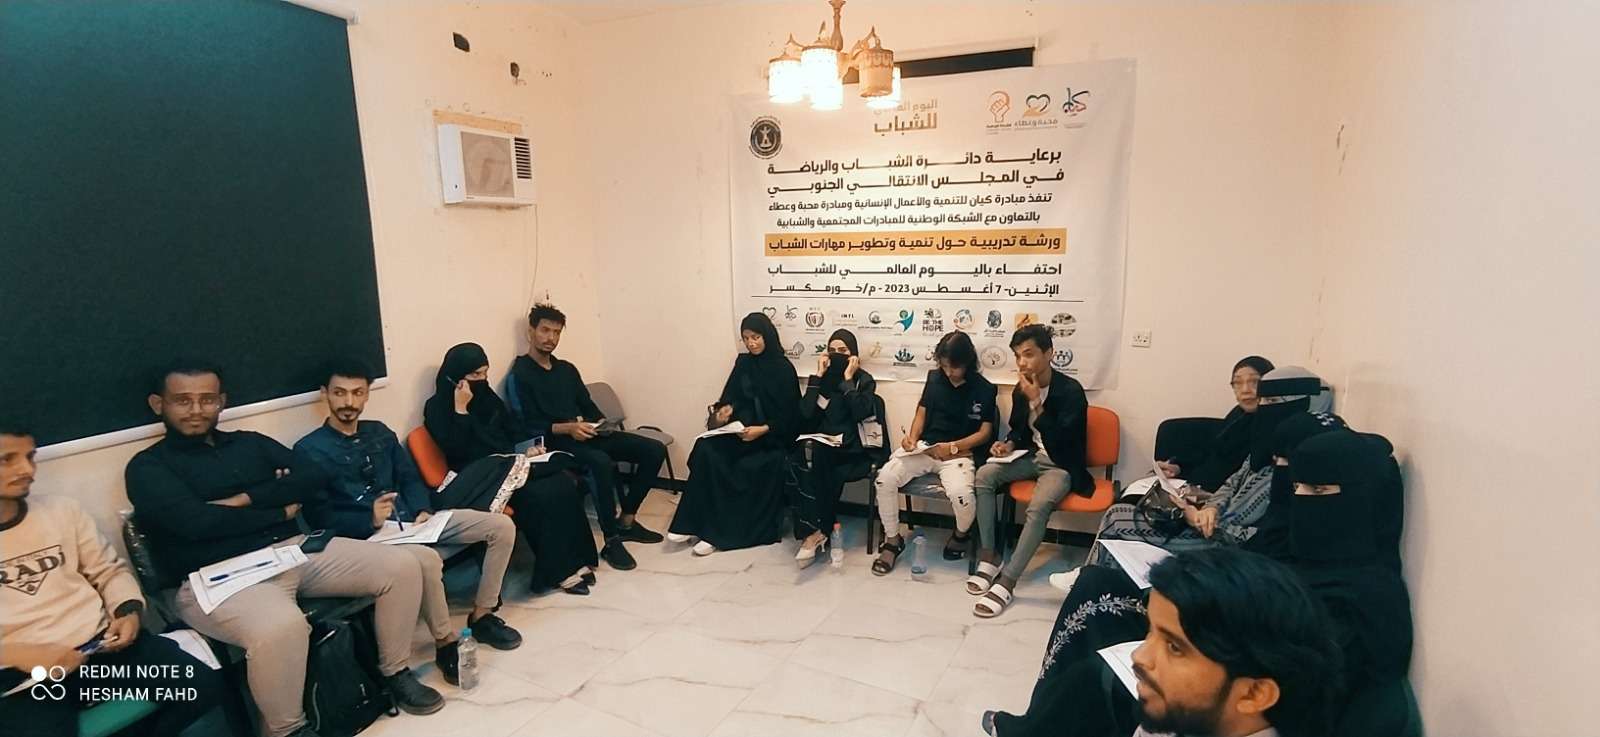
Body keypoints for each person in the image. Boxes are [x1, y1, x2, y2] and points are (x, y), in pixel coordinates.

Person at [125, 360, 443, 737]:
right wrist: (277, 509)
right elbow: (194, 524)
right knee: (283, 627)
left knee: (403, 566)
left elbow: (312, 476)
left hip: (290, 550)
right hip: (217, 578)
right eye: (183, 400)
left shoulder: (249, 443)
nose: (196, 409)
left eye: (207, 399)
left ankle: (394, 671)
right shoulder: (147, 468)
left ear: (221, 401)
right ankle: (288, 730)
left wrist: (244, 500)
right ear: (158, 404)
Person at [295, 358, 523, 687]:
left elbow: (409, 478)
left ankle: (483, 614)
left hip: (411, 522)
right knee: (427, 560)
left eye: (357, 393)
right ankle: (446, 643)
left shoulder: (379, 433)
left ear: (366, 394)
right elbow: (319, 517)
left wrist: (421, 509)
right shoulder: (309, 450)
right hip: (367, 540)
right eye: (339, 393)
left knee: (500, 527)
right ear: (325, 395)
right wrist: (368, 518)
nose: (348, 402)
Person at [1, 424, 221, 737]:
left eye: (30, 457)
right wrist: (20, 654)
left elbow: (108, 571)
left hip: (98, 648)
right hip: (25, 674)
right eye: (7, 459)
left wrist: (127, 612)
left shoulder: (61, 511)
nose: (27, 469)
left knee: (201, 687)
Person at [985, 548, 1344, 737]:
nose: (1139, 656)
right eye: (1150, 633)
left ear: (1254, 693)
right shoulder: (1188, 718)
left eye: (1175, 647)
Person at [1068, 367, 1331, 584]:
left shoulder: (1297, 474)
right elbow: (1232, 483)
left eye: (1272, 403)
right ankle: (1094, 579)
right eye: (1263, 401)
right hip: (1208, 522)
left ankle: (1093, 582)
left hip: (1223, 546)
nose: (1262, 408)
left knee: (1118, 522)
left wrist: (1197, 518)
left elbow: (1262, 540)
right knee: (1120, 513)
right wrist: (1212, 508)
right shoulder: (1266, 448)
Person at [422, 343, 599, 594]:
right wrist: (461, 410)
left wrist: (525, 448)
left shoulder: (487, 398)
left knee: (561, 483)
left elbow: (510, 430)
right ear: (455, 377)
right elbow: (457, 449)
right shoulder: (437, 407)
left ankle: (578, 559)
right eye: (475, 374)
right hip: (479, 476)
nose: (482, 380)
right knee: (539, 495)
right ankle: (558, 572)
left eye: (485, 372)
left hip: (510, 464)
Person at [509, 304, 667, 572]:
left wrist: (602, 424)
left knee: (654, 449)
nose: (550, 338)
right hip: (553, 444)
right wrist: (567, 428)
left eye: (556, 332)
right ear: (530, 332)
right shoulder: (520, 374)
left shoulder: (566, 370)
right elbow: (526, 426)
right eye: (545, 330)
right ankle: (611, 540)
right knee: (599, 462)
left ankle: (627, 520)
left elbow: (587, 405)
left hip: (584, 433)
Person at [967, 324, 1090, 618]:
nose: (1022, 362)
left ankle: (1008, 580)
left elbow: (1061, 443)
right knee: (983, 476)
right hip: (1031, 457)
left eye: (1029, 354)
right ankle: (990, 555)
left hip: (1061, 464)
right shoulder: (1021, 389)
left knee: (1038, 505)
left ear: (1049, 354)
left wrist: (1037, 401)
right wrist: (1007, 445)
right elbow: (1019, 431)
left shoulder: (1071, 392)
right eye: (1017, 356)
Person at [667, 312, 799, 555]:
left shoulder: (783, 368)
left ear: (767, 335)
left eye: (756, 337)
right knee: (706, 450)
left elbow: (791, 416)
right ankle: (691, 524)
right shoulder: (744, 363)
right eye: (746, 338)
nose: (751, 343)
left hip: (771, 438)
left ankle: (718, 534)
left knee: (743, 466)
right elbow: (729, 398)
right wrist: (723, 413)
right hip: (740, 431)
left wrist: (763, 430)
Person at [870, 331, 996, 575]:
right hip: (927, 449)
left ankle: (961, 535)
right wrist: (912, 439)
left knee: (962, 496)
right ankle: (893, 540)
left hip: (959, 455)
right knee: (884, 479)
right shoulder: (935, 378)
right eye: (944, 366)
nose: (949, 372)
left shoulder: (984, 389)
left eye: (954, 367)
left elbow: (985, 432)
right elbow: (921, 412)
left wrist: (953, 447)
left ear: (967, 361)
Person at [789, 329, 887, 567]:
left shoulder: (863, 380)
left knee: (819, 463)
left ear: (853, 355)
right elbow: (806, 415)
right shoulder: (824, 380)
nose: (837, 355)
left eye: (843, 351)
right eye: (832, 351)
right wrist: (817, 377)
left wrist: (848, 380)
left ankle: (818, 531)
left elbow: (861, 412)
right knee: (799, 455)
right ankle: (815, 529)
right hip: (826, 446)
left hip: (855, 449)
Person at [1157, 356, 1276, 492]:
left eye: (1254, 382)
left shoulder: (1273, 425)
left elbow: (1246, 484)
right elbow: (1213, 451)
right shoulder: (1239, 414)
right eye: (1237, 383)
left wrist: (1205, 497)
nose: (1245, 390)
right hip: (1193, 488)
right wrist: (1178, 468)